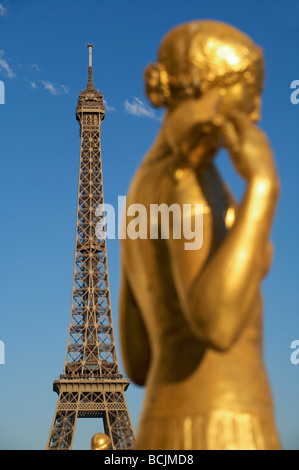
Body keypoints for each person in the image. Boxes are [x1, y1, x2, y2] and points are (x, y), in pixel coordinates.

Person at [119, 20, 281, 450]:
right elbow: (217, 324)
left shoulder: (143, 186)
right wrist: (263, 188)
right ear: (215, 88)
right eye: (251, 90)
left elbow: (137, 362)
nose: (257, 111)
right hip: (222, 428)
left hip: (162, 425)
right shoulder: (187, 181)